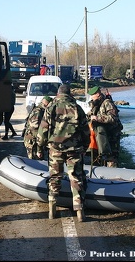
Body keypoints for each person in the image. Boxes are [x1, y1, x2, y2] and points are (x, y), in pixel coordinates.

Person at [36, 84, 90, 222]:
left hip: (55, 149)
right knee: (76, 178)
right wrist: (85, 147)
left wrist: (40, 145)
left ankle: (52, 209)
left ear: (58, 93)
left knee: (55, 178)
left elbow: (43, 128)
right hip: (75, 150)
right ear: (69, 93)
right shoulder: (77, 107)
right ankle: (79, 212)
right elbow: (85, 130)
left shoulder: (51, 107)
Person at [86, 86, 123, 168]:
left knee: (111, 158)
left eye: (92, 95)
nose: (91, 97)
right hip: (103, 136)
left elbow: (113, 118)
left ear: (98, 94)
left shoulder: (107, 103)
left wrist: (97, 118)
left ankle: (114, 176)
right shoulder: (96, 105)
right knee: (103, 156)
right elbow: (89, 115)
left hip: (112, 136)